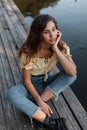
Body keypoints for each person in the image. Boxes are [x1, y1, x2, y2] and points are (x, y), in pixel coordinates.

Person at [6, 14, 77, 129]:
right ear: (38, 34)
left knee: (71, 76)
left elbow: (72, 72)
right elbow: (27, 81)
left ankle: (35, 105)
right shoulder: (28, 51)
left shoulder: (61, 46)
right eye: (46, 32)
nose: (52, 35)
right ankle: (51, 123)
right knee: (11, 93)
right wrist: (39, 101)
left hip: (47, 82)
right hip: (31, 84)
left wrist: (56, 49)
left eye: (54, 30)